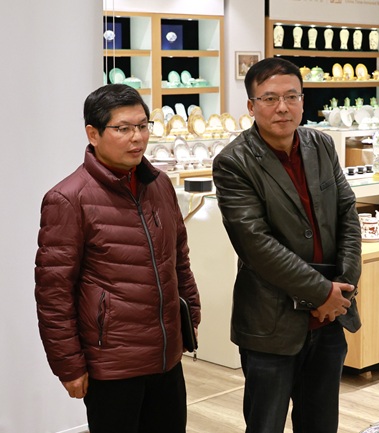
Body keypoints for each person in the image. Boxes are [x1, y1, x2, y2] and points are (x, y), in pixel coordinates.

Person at [35, 84, 201, 433]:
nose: (137, 137)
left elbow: (179, 259)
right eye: (123, 128)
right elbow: (54, 293)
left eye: (142, 126)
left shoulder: (160, 185)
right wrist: (68, 365)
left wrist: (191, 315)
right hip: (111, 364)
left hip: (166, 357)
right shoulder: (68, 198)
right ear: (93, 134)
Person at [212, 57, 361, 433]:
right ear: (251, 106)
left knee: (320, 424)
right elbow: (256, 246)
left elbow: (347, 213)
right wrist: (322, 292)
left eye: (292, 96)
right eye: (270, 98)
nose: (282, 107)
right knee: (266, 425)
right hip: (271, 323)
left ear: (302, 100)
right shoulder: (233, 162)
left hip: (328, 320)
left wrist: (343, 287)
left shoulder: (320, 144)